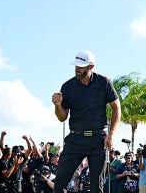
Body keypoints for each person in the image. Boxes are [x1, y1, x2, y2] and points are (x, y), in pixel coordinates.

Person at [51, 50, 121, 193]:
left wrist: (111, 135)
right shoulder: (67, 86)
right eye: (76, 65)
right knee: (59, 183)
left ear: (91, 67)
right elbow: (62, 117)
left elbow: (116, 108)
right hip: (75, 139)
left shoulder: (103, 82)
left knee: (96, 187)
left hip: (98, 140)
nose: (77, 69)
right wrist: (58, 105)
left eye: (81, 66)